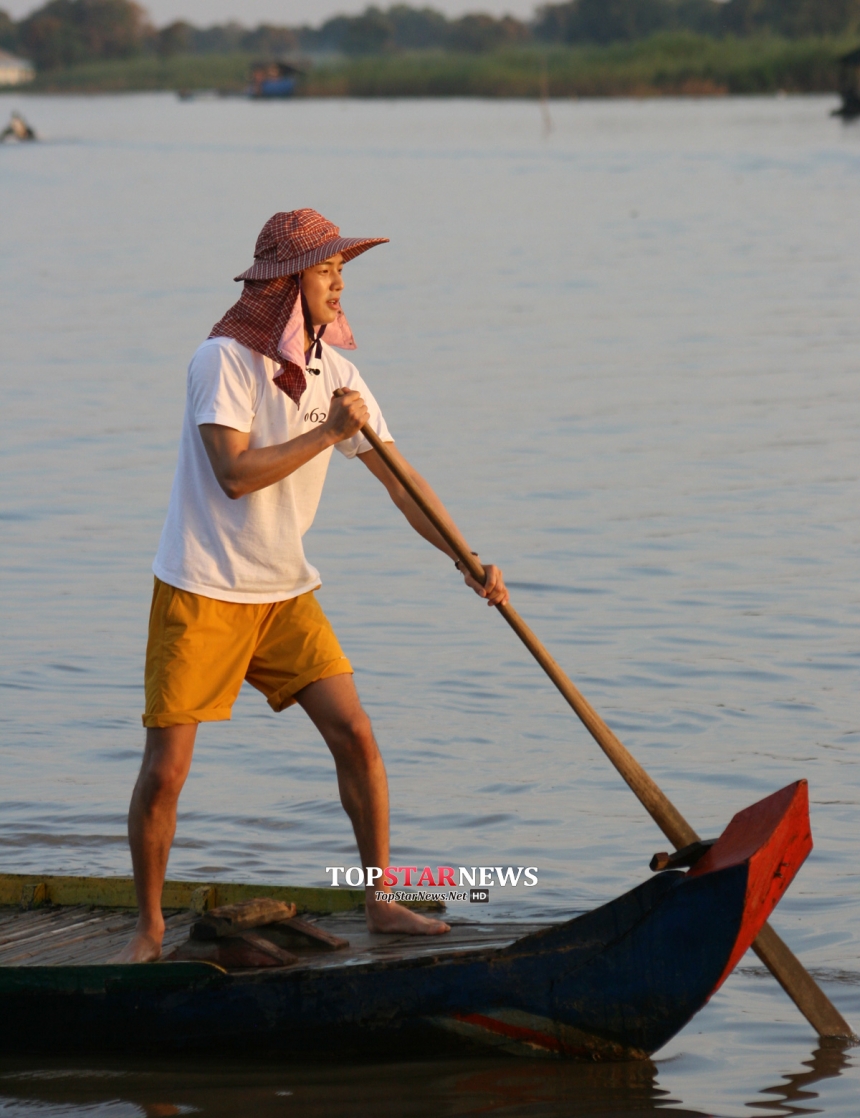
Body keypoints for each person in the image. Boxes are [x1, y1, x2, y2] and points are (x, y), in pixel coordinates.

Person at [117, 209, 509, 963]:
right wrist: (327, 433)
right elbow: (234, 474)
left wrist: (467, 558)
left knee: (355, 734)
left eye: (341, 271)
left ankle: (382, 900)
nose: (338, 284)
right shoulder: (222, 361)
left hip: (284, 593)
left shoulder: (340, 374)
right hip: (202, 590)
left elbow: (403, 486)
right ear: (284, 285)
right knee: (166, 771)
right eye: (325, 271)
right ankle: (148, 926)